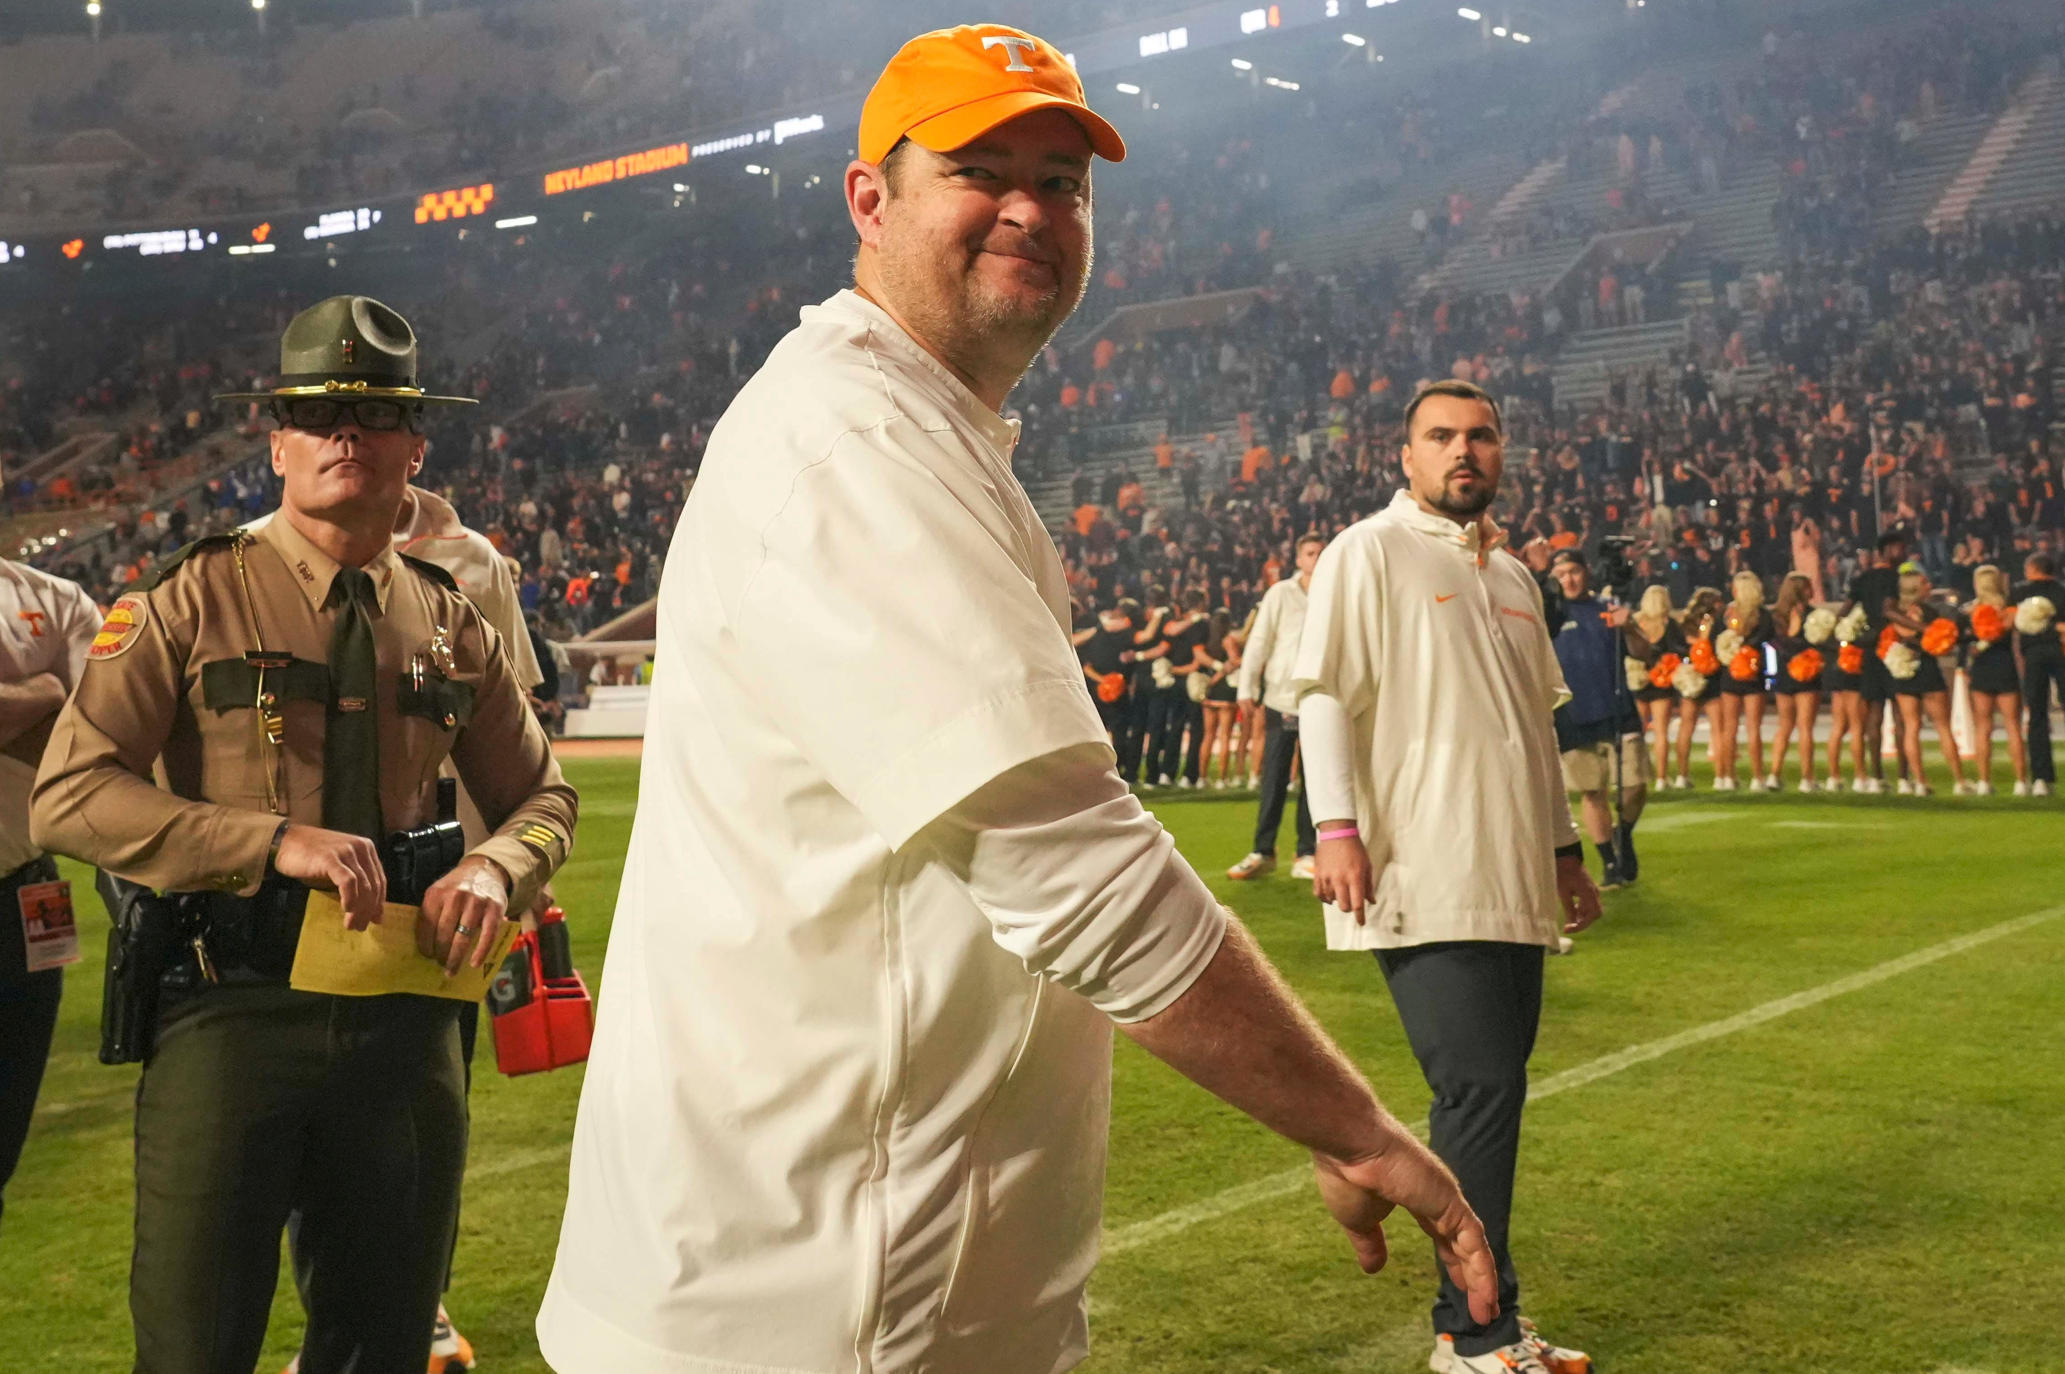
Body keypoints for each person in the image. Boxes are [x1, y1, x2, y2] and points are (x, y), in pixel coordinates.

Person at [538, 27, 1496, 1374]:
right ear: (870, 199)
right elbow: (1075, 873)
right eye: (981, 170)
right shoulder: (854, 443)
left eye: (1063, 181)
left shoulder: (908, 426)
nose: (1033, 210)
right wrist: (1352, 1125)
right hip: (816, 1296)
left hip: (865, 1264)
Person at [30, 295, 579, 1374]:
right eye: (317, 414)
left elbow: (544, 798)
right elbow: (70, 795)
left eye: (374, 414)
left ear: (413, 447)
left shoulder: (449, 617)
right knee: (194, 1349)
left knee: (384, 1347)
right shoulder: (187, 599)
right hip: (233, 1007)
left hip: (409, 1020)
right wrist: (264, 841)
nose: (345, 435)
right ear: (276, 439)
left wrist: (494, 861)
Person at [1300, 379, 1600, 1374]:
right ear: (1406, 456)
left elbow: (1537, 732)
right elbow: (1323, 698)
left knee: (1490, 1093)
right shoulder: (1368, 551)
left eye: (1478, 436)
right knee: (1475, 1088)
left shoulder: (1515, 576)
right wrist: (1333, 828)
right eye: (1440, 437)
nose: (1461, 451)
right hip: (1422, 863)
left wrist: (1563, 853)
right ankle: (1472, 1336)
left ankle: (1469, 1295)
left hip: (1511, 871)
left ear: (1501, 452)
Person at [257, 479, 553, 1373]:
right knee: (324, 1119)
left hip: (447, 897)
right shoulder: (259, 555)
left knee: (429, 1115)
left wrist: (518, 878)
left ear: (411, 436)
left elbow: (517, 724)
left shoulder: (473, 565)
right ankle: (337, 1323)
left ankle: (422, 1302)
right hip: (315, 886)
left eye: (378, 408)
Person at [0, 556, 101, 1229]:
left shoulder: (54, 599)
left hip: (22, 900)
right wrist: (42, 693)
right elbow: (63, 720)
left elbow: (98, 747)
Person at [1547, 550, 1648, 892]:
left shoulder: (1607, 608)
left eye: (1573, 571)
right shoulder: (1549, 615)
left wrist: (1630, 626)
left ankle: (1625, 833)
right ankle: (1609, 861)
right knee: (1593, 791)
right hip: (1572, 714)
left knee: (1636, 785)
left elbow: (1644, 652)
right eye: (1561, 574)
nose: (1568, 580)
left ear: (1586, 572)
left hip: (1617, 708)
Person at [1229, 532, 1323, 881]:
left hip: (1320, 697)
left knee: (1315, 778)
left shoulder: (1335, 593)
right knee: (1274, 776)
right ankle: (1262, 850)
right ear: (1298, 559)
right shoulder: (1281, 593)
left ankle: (1307, 852)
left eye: (1321, 552)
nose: (1317, 558)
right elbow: (1260, 640)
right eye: (1310, 552)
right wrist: (1247, 685)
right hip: (1281, 697)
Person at [1880, 565, 1965, 796]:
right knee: (1942, 726)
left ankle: (1919, 782)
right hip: (1927, 669)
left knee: (1911, 727)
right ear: (1916, 589)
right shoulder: (1928, 613)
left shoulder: (1896, 614)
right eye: (1926, 584)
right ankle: (1959, 781)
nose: (1930, 587)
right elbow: (1938, 644)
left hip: (1903, 670)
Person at [1840, 530, 1910, 793]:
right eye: (1900, 548)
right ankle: (1904, 778)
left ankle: (1877, 777)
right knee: (1901, 714)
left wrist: (1847, 635)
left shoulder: (1861, 578)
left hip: (1869, 650)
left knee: (1874, 716)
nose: (1903, 553)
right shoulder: (1893, 577)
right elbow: (1889, 609)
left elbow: (1845, 611)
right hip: (1893, 647)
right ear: (1888, 550)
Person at [1962, 565, 2026, 796]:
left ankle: (1983, 782)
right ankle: (2021, 782)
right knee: (2013, 726)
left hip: (1982, 669)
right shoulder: (2009, 612)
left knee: (1983, 727)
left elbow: (1968, 641)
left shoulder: (1972, 611)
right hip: (2005, 666)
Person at [1626, 585, 1690, 789]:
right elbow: (1679, 650)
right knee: (1661, 732)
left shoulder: (1636, 622)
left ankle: (1635, 776)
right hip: (1661, 683)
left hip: (1640, 681)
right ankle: (1662, 779)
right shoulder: (1669, 624)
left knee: (1637, 733)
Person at [2011, 552, 2065, 795]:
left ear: (2031, 569)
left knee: (2037, 714)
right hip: (2061, 651)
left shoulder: (2020, 592)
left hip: (2033, 654)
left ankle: (2042, 779)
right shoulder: (2062, 591)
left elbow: (2010, 622)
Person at [1716, 570, 1774, 789]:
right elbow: (1767, 636)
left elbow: (1715, 638)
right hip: (1752, 674)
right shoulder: (1762, 614)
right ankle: (1757, 778)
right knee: (1753, 728)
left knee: (1729, 728)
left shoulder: (1726, 614)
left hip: (1730, 673)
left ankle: (1728, 777)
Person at [1767, 573, 1823, 792]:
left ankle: (1774, 774)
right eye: (1808, 588)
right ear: (1800, 591)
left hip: (1784, 674)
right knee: (1805, 727)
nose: (1812, 592)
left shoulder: (1775, 615)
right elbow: (1790, 641)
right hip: (1804, 672)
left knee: (1785, 725)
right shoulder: (1809, 615)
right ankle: (1807, 779)